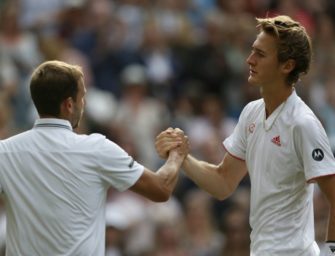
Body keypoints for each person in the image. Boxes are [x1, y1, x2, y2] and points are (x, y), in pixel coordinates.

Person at [155, 15, 335, 256]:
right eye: (253, 51)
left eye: (261, 54)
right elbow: (223, 183)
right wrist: (182, 156)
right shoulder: (251, 113)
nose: (250, 60)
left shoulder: (303, 124)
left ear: (287, 65)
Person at [0, 60, 188, 255]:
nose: (84, 104)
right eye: (82, 97)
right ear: (69, 105)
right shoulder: (97, 149)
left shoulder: (5, 152)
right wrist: (177, 154)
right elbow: (161, 188)